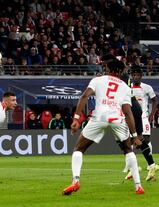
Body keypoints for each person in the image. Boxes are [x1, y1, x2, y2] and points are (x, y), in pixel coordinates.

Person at [62, 60, 144, 195]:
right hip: (117, 118)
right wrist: (135, 136)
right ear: (119, 71)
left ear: (108, 69)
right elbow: (128, 112)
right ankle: (138, 186)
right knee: (128, 150)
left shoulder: (97, 80)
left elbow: (84, 96)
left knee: (79, 148)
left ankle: (75, 181)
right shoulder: (125, 86)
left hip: (99, 116)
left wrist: (76, 118)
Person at [124, 66, 159, 181]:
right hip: (130, 117)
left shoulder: (147, 87)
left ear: (141, 76)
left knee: (145, 139)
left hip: (143, 116)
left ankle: (149, 166)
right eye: (133, 75)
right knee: (130, 142)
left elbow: (155, 100)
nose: (135, 77)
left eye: (137, 75)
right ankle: (135, 167)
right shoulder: (127, 87)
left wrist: (152, 114)